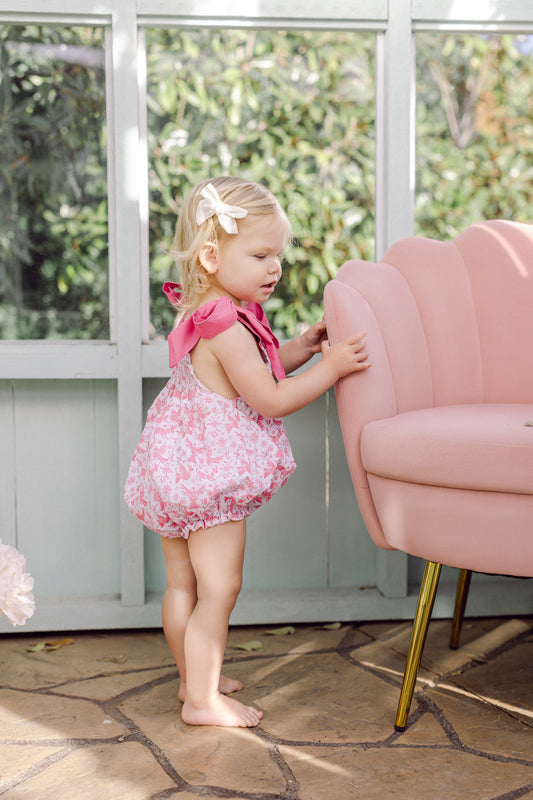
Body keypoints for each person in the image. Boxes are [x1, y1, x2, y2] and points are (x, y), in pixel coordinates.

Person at [124, 176, 369, 729]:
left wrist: (301, 348)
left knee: (183, 583)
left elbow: (248, 374)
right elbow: (269, 397)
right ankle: (202, 702)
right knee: (220, 588)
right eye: (260, 254)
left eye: (277, 255)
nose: (274, 267)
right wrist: (330, 369)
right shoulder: (229, 326)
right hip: (208, 479)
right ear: (211, 255)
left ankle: (193, 677)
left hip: (171, 468)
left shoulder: (207, 313)